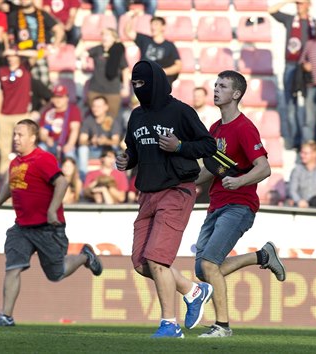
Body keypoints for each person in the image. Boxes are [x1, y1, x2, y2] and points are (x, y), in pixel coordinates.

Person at [116, 60, 217, 338]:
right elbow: (133, 150)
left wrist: (180, 146)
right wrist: (126, 159)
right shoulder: (136, 116)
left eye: (141, 84)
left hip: (176, 190)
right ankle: (193, 290)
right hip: (147, 193)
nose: (137, 88)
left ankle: (170, 325)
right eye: (134, 84)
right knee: (141, 263)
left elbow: (208, 145)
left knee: (158, 259)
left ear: (155, 83)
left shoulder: (180, 111)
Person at [192, 70, 286, 338]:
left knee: (209, 264)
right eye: (216, 85)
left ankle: (222, 326)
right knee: (203, 270)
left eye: (222, 86)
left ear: (236, 94)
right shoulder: (215, 129)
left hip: (239, 205)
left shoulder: (244, 127)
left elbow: (264, 168)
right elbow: (210, 170)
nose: (216, 89)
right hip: (216, 204)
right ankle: (263, 256)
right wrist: (187, 181)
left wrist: (241, 181)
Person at [0, 119, 103, 326]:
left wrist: (52, 209)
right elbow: (10, 184)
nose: (15, 138)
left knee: (56, 274)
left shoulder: (43, 159)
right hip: (21, 227)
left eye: (20, 134)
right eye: (14, 134)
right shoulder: (15, 162)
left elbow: (62, 181)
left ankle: (85, 257)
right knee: (13, 268)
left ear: (33, 137)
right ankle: (6, 316)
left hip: (47, 227)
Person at [269, 0, 315, 148]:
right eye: (297, 4)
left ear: (309, 5)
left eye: (302, 3)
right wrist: (288, 1)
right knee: (290, 103)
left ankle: (309, 140)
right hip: (291, 64)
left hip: (308, 67)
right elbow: (271, 10)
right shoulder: (290, 19)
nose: (299, 6)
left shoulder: (314, 23)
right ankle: (295, 138)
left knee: (309, 104)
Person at [6, 0, 64, 87]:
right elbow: (9, 36)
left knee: (42, 78)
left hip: (41, 53)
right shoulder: (14, 16)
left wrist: (53, 47)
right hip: (22, 54)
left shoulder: (42, 14)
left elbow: (59, 30)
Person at [82, 27, 130, 120]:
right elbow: (84, 53)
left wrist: (126, 86)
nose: (104, 37)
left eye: (107, 35)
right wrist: (84, 61)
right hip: (95, 88)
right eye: (103, 35)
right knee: (93, 117)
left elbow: (125, 69)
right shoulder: (98, 49)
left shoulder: (118, 50)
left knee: (111, 119)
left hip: (112, 90)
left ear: (114, 38)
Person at [124, 13, 181, 85]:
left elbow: (178, 66)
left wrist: (162, 71)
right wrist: (132, 18)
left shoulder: (170, 46)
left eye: (156, 24)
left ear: (163, 27)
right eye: (152, 24)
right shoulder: (145, 40)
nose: (153, 27)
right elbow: (128, 32)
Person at [77, 95, 123, 180]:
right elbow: (81, 140)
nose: (95, 108)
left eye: (98, 106)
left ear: (106, 107)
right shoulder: (88, 120)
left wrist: (105, 141)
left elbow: (116, 141)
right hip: (94, 151)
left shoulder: (112, 120)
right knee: (82, 149)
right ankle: (83, 180)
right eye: (94, 106)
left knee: (117, 150)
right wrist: (91, 141)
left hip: (109, 152)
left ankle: (119, 180)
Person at [38, 84, 82, 159]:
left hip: (66, 142)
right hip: (51, 143)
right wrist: (46, 139)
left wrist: (70, 144)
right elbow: (43, 132)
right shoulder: (48, 112)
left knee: (69, 155)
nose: (57, 100)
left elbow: (75, 129)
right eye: (55, 97)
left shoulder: (73, 110)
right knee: (40, 149)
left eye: (61, 97)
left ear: (67, 98)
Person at [287, 140, 316, 208]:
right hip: (300, 208)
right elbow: (292, 190)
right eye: (301, 152)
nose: (302, 155)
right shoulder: (297, 170)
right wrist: (299, 201)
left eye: (305, 153)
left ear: (314, 154)